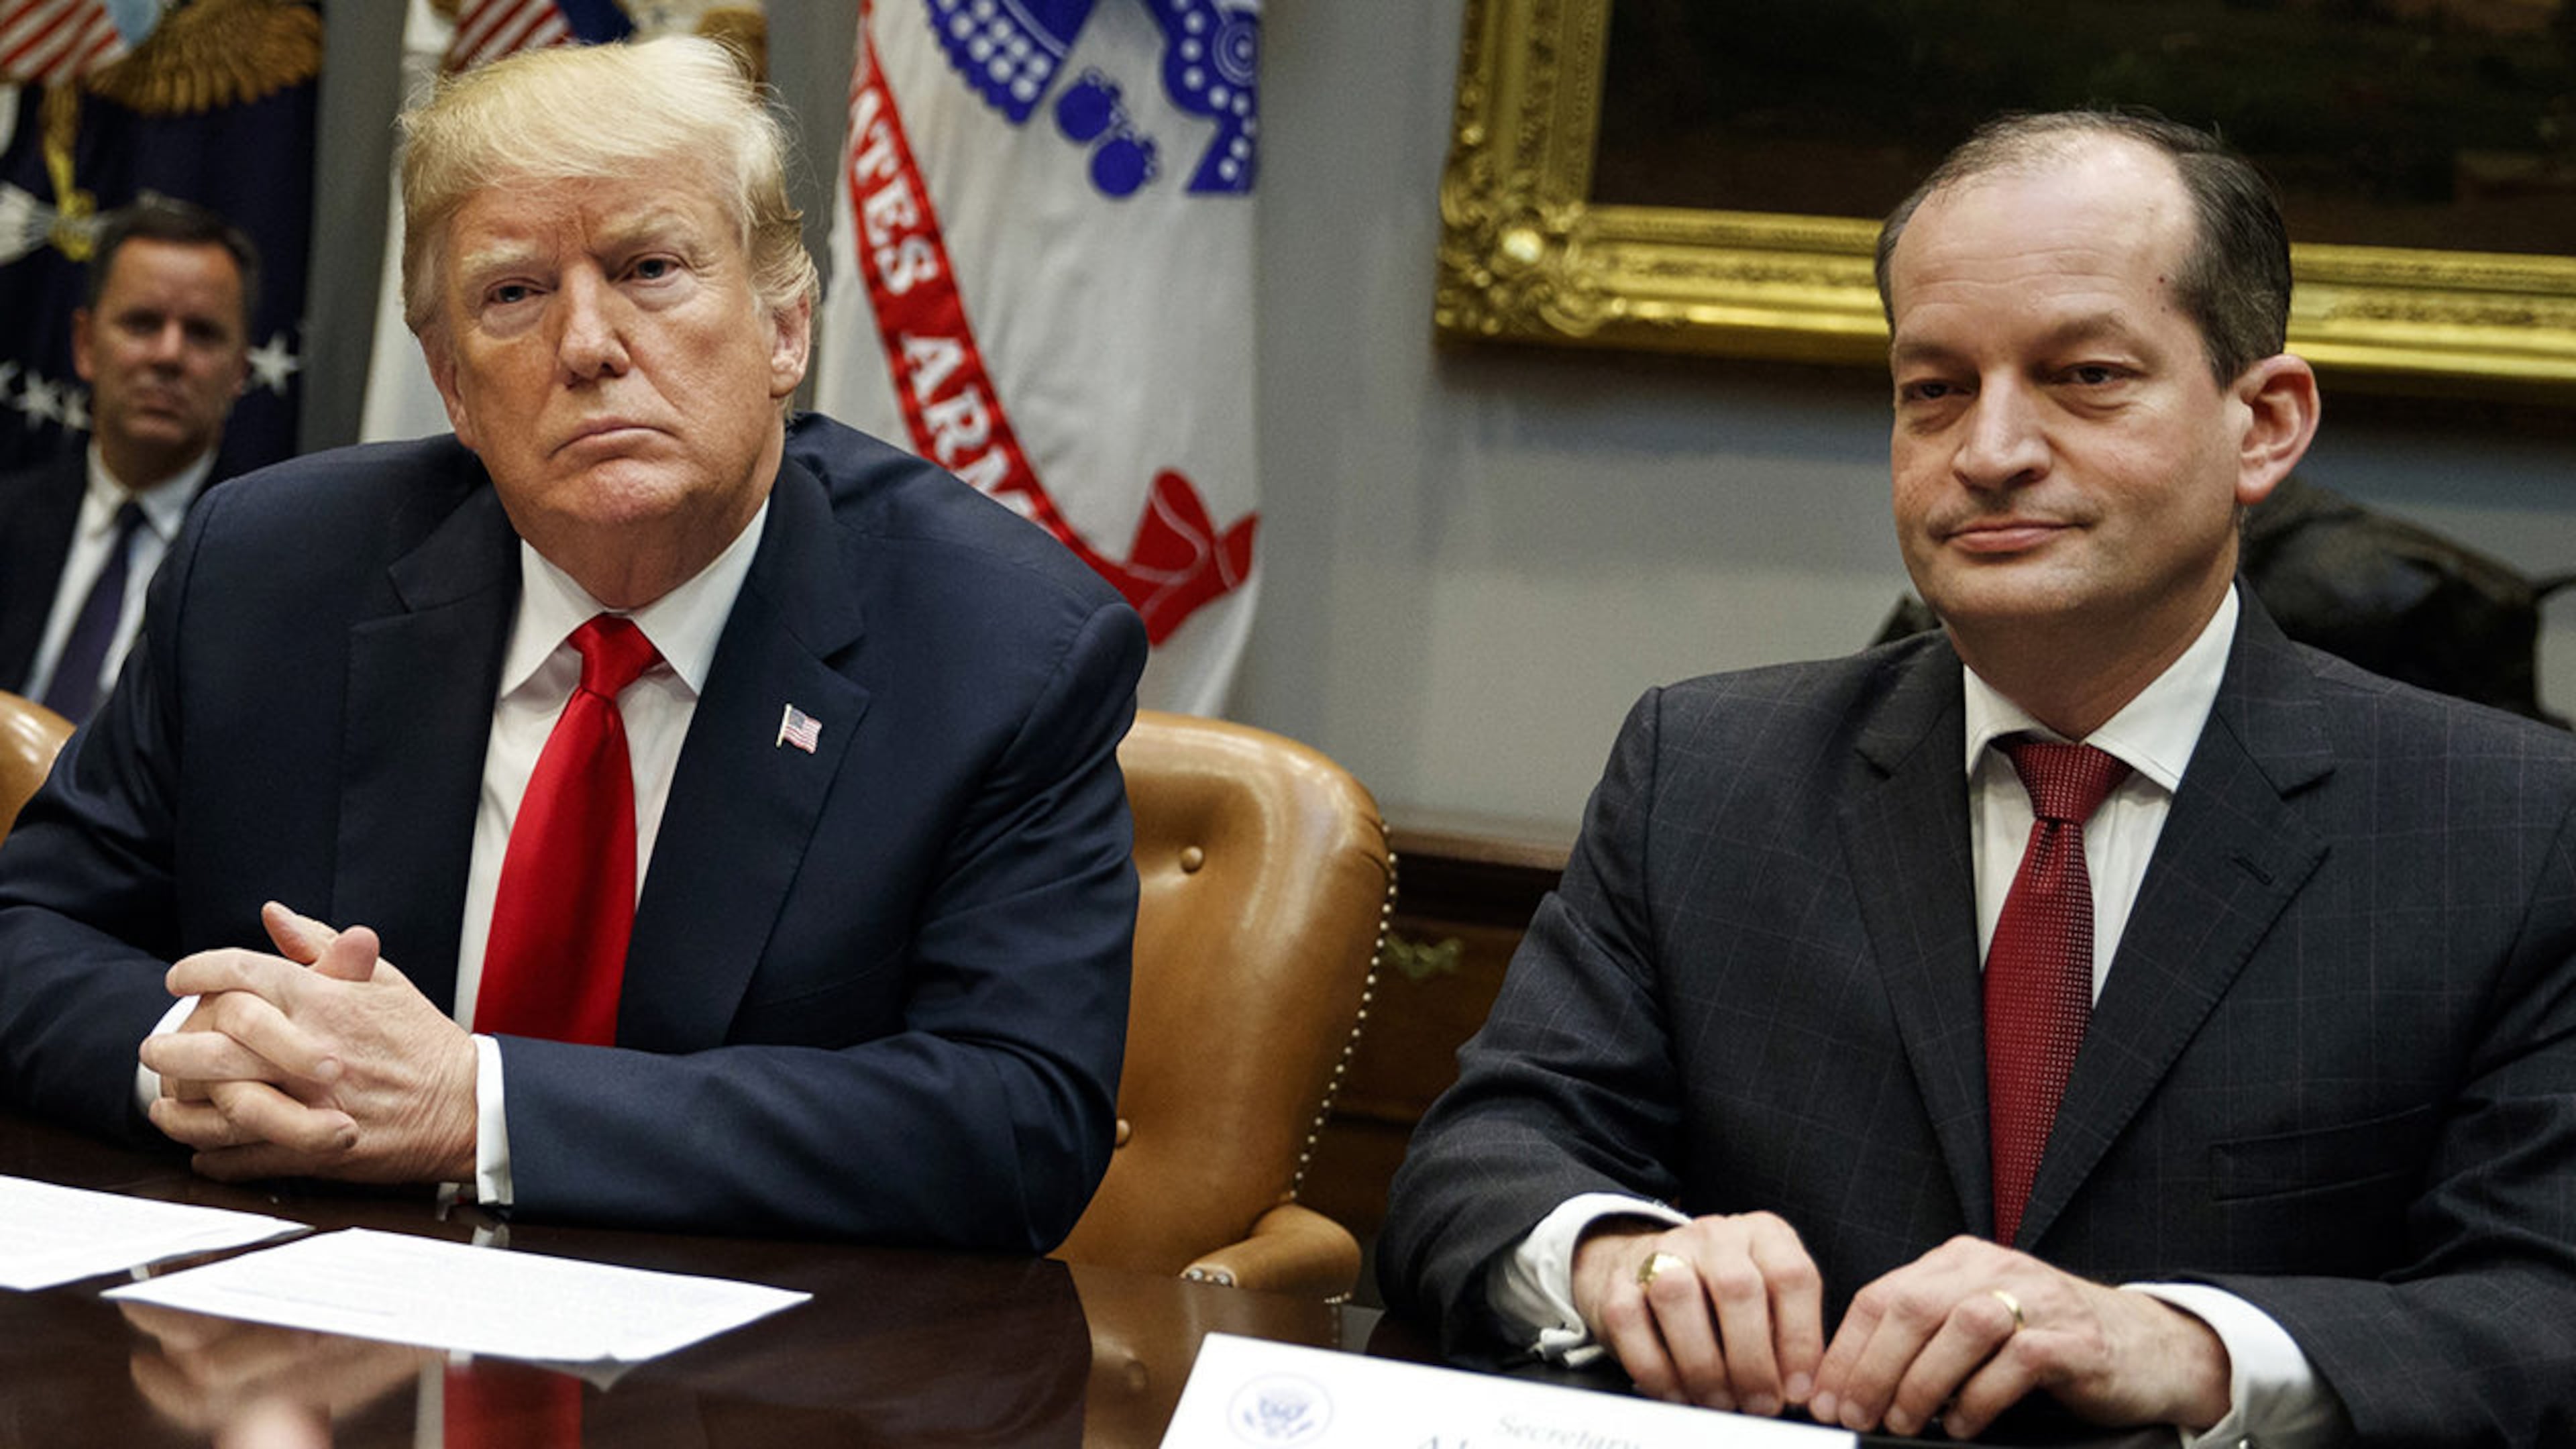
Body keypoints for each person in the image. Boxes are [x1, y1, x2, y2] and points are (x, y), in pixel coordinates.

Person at [1380, 111, 2576, 1448]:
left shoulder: (2515, 828)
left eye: (2083, 377)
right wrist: (1618, 1258)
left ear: (2264, 425)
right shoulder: (1705, 773)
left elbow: (2544, 1309)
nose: (1990, 450)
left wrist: (2189, 1347)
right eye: (1933, 388)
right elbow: (1482, 1160)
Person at [0, 36, 1146, 1250]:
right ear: (450, 385)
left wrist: (477, 1107)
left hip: (749, 1383)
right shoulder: (267, 572)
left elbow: (1018, 1120)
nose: (588, 345)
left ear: (786, 330)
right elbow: (27, 938)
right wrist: (213, 1059)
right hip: (295, 1352)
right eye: (513, 293)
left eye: (651, 268)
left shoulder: (1005, 650)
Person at [0, 197, 255, 722]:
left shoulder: (268, 567)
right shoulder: (7, 520)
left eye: (202, 333)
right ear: (86, 344)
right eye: (142, 324)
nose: (168, 355)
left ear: (240, 370)